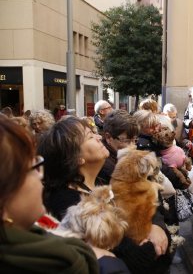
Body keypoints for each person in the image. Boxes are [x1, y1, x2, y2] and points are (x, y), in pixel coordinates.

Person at [38, 116, 171, 273]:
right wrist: (153, 242)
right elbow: (136, 258)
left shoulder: (102, 179)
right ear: (76, 157)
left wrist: (156, 225)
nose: (99, 136)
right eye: (90, 136)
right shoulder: (69, 205)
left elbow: (149, 199)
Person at [0, 116, 112, 273]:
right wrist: (110, 263)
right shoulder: (67, 206)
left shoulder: (103, 179)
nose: (40, 175)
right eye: (33, 165)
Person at [98, 110, 139, 184]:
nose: (133, 146)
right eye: (127, 141)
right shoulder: (106, 166)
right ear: (109, 137)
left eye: (134, 140)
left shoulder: (121, 157)